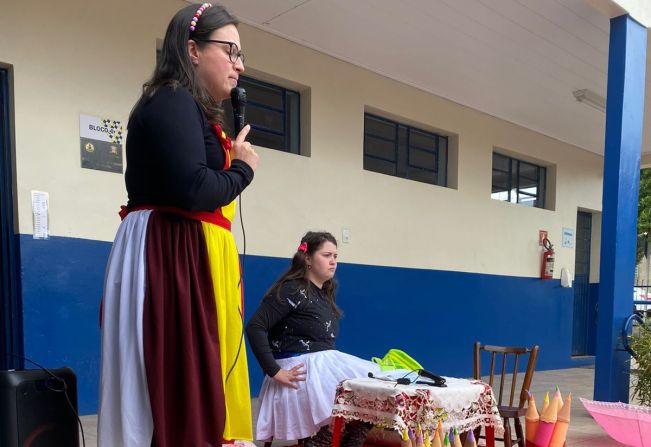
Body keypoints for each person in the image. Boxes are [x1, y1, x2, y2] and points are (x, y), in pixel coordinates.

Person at [98, 3, 258, 446]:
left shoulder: (189, 107)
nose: (239, 65)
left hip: (189, 258)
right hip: (170, 259)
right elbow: (192, 188)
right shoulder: (170, 99)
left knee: (199, 380)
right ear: (191, 49)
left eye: (241, 55)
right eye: (230, 50)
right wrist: (242, 169)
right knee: (175, 386)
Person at [246, 231, 379, 447]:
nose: (333, 261)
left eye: (336, 256)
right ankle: (321, 440)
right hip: (300, 369)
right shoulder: (292, 289)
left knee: (376, 388)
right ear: (308, 258)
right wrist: (273, 370)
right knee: (360, 395)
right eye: (327, 255)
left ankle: (347, 440)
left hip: (321, 366)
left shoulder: (324, 292)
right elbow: (255, 327)